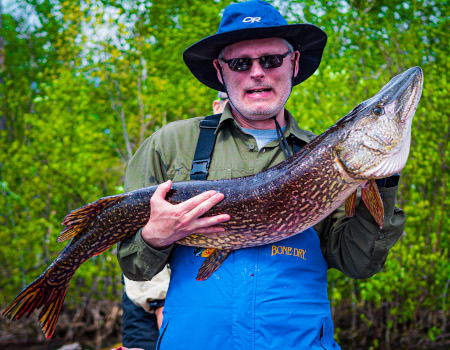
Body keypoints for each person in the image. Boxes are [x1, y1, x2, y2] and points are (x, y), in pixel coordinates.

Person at [117, 1, 405, 349]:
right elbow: (135, 267)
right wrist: (154, 237)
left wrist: (385, 181)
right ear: (220, 71)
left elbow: (357, 261)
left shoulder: (325, 158)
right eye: (241, 63)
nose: (257, 72)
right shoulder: (171, 145)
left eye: (270, 60)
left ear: (294, 63)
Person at [119, 93, 229, 350]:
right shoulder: (177, 146)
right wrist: (157, 304)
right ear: (217, 105)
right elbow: (136, 260)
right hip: (151, 299)